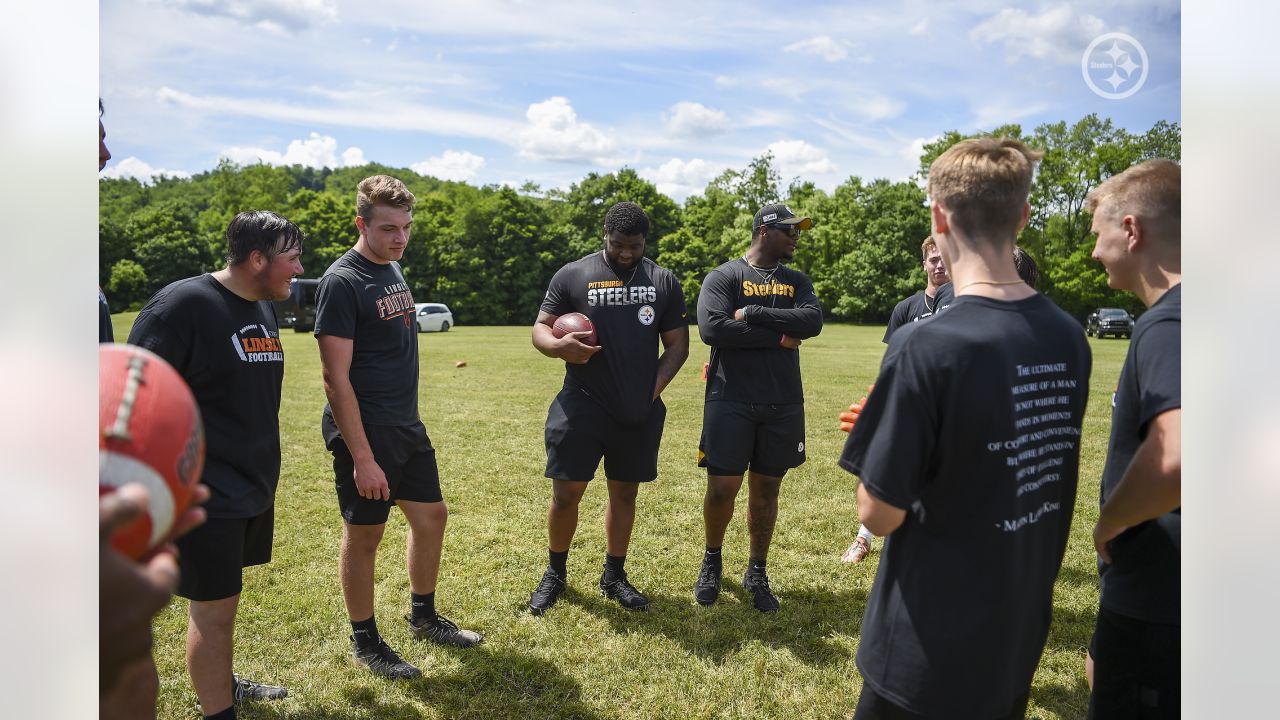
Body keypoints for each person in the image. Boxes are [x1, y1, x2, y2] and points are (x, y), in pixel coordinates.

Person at [838, 138, 1090, 719]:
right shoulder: (1066, 335)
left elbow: (879, 514)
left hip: (925, 642)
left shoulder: (925, 343)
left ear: (938, 216)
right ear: (1023, 216)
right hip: (1017, 626)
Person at [128, 210, 303, 720]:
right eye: (291, 259)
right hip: (204, 492)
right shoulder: (182, 307)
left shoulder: (262, 307)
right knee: (213, 609)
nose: (298, 270)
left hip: (251, 483)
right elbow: (133, 399)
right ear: (257, 259)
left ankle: (222, 681)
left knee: (223, 601)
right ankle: (218, 711)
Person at [315, 175, 482, 680]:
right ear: (361, 223)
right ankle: (366, 641)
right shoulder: (343, 281)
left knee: (432, 517)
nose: (400, 238)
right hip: (367, 432)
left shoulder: (393, 269)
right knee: (365, 537)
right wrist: (363, 456)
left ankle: (423, 617)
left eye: (406, 228)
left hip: (406, 425)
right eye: (388, 228)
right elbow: (333, 376)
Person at [526, 201, 689, 615]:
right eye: (619, 244)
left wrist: (650, 390)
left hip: (637, 410)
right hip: (581, 404)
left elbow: (677, 346)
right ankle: (555, 574)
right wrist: (557, 347)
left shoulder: (663, 281)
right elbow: (541, 329)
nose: (627, 253)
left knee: (625, 493)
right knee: (566, 494)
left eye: (634, 246)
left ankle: (614, 576)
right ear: (605, 234)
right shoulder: (574, 274)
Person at [1084, 159, 1181, 719]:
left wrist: (1112, 523)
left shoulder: (1168, 324)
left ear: (1131, 230)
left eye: (1099, 234)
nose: (1095, 251)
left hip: (1156, 598)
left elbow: (1177, 454)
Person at [694, 203, 823, 611]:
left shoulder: (797, 280)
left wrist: (753, 313)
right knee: (722, 487)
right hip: (729, 396)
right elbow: (713, 328)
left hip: (783, 400)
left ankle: (757, 570)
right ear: (765, 231)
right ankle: (712, 559)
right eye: (790, 231)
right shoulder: (725, 276)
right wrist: (778, 336)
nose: (796, 238)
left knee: (767, 489)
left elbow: (812, 321)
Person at [842, 236, 951, 563]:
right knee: (888, 467)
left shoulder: (962, 301)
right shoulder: (906, 308)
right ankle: (863, 538)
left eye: (944, 259)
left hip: (945, 403)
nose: (939, 265)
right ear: (924, 265)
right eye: (933, 260)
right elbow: (893, 363)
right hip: (909, 402)